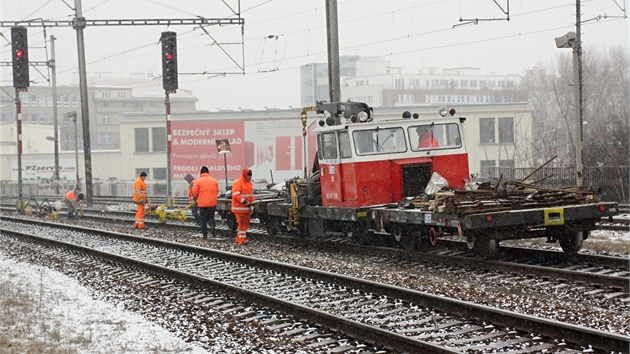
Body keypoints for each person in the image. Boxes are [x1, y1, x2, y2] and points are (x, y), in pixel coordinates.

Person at [191, 166, 219, 239]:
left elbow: (194, 192)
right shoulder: (214, 180)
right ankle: (213, 229)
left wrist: (198, 197)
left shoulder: (198, 181)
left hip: (203, 204)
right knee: (211, 217)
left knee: (203, 219)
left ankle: (205, 234)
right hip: (212, 204)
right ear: (208, 172)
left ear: (201, 173)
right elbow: (217, 191)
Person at [231, 168, 254, 245]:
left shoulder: (249, 183)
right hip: (239, 208)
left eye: (250, 176)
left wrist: (252, 202)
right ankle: (241, 240)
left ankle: (239, 238)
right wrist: (244, 201)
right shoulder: (238, 183)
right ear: (245, 175)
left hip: (246, 208)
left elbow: (250, 195)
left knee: (245, 224)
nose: (250, 177)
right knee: (242, 224)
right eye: (249, 175)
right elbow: (236, 195)